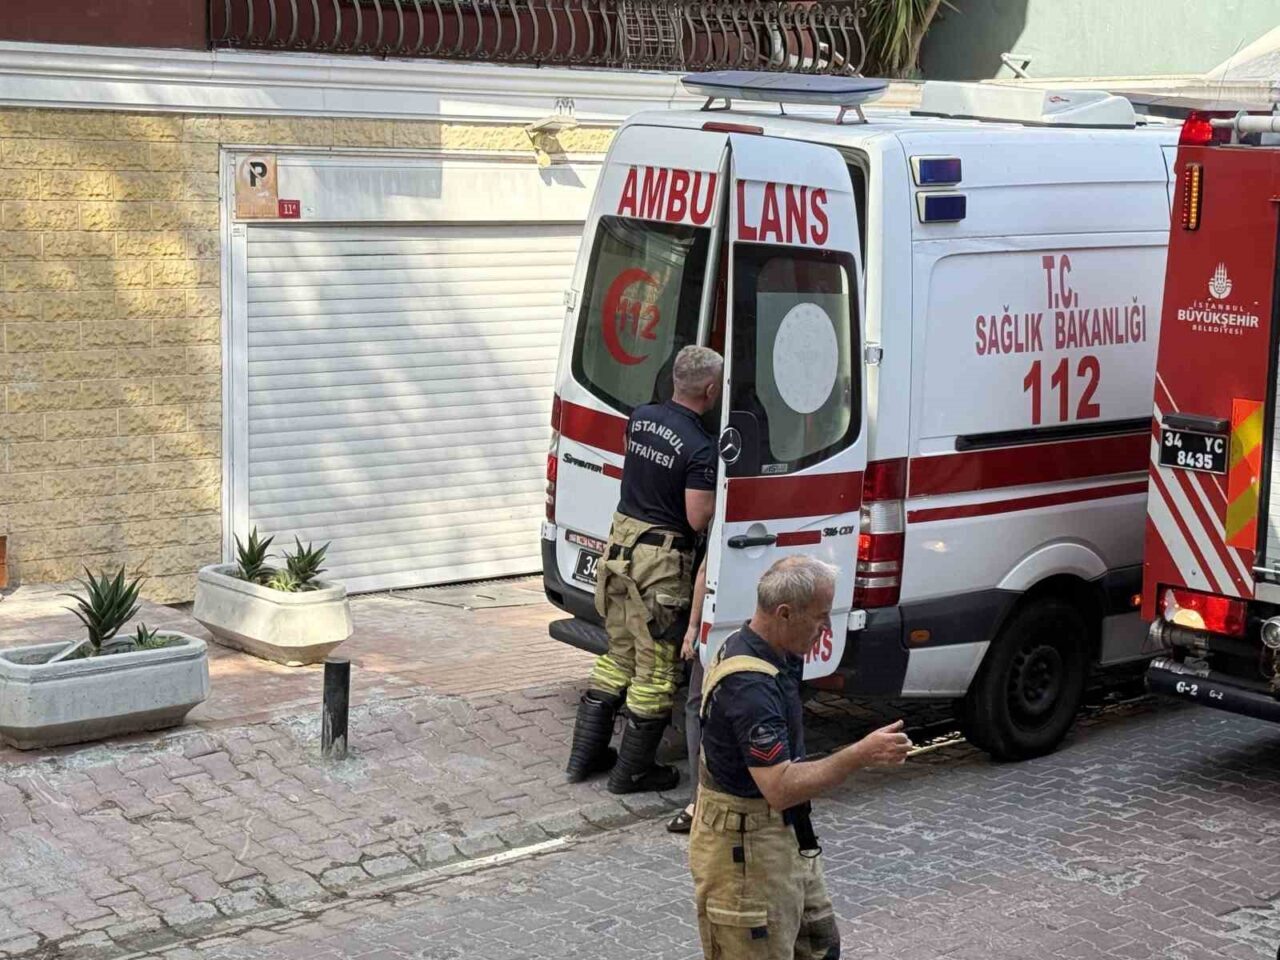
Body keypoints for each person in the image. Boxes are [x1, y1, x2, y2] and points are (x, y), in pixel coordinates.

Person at [690, 555, 913, 959]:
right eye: (820, 617)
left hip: (784, 840)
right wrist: (859, 755)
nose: (826, 627)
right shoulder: (750, 687)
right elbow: (779, 787)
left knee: (819, 947)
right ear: (785, 614)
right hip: (745, 856)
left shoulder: (770, 647)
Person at [565, 344, 724, 794]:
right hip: (660, 561)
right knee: (656, 669)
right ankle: (631, 773)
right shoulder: (700, 446)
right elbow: (697, 518)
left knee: (619, 653)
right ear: (712, 390)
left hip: (620, 549)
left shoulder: (640, 417)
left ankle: (585, 759)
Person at [667, 555, 708, 833]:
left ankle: (699, 802)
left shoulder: (729, 513)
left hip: (724, 617)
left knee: (697, 705)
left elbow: (707, 569)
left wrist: (692, 627)